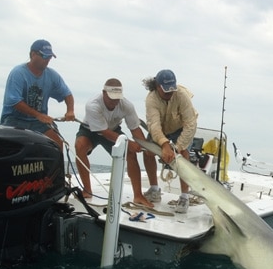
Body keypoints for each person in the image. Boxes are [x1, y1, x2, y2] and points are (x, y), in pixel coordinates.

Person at [74, 78, 153, 208]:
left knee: (131, 154)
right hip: (91, 130)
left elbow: (135, 128)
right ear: (104, 93)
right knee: (80, 146)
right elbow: (103, 132)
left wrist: (147, 147)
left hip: (114, 129)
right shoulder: (92, 105)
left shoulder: (126, 105)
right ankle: (87, 190)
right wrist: (128, 143)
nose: (114, 102)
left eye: (117, 98)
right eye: (111, 98)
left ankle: (138, 195)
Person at [142, 69, 198, 213]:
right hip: (161, 130)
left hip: (180, 129)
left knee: (183, 155)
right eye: (166, 90)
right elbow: (154, 126)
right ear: (157, 86)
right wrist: (164, 144)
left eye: (171, 90)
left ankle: (185, 196)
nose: (169, 93)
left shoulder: (182, 95)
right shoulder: (151, 99)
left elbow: (190, 124)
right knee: (148, 152)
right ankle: (154, 190)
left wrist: (177, 147)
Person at [1, 39, 74, 147]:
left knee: (57, 143)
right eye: (44, 56)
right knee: (15, 147)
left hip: (39, 123)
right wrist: (39, 115)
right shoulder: (18, 73)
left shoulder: (52, 76)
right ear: (32, 54)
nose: (47, 60)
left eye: (50, 57)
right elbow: (14, 101)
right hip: (14, 119)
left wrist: (70, 111)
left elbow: (67, 94)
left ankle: (55, 164)